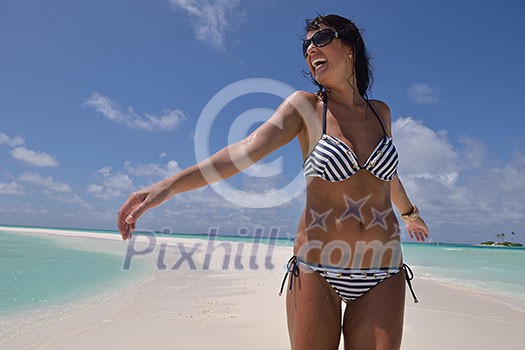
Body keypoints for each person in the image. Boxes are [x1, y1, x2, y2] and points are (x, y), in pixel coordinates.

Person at [118, 14, 429, 350]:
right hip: (318, 268)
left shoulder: (381, 113)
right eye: (306, 45)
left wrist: (410, 213)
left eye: (320, 38)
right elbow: (244, 150)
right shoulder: (307, 108)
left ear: (350, 46)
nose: (310, 49)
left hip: (383, 269)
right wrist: (169, 186)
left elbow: (385, 175)